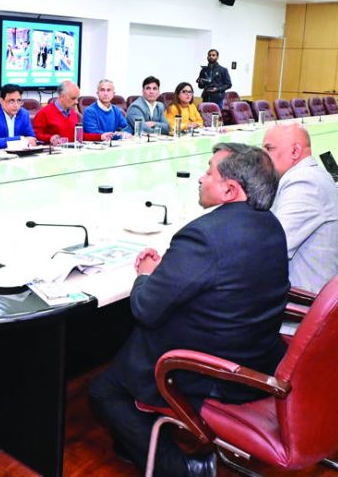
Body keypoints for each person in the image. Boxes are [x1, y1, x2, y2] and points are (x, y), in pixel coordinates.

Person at [89, 143, 288, 477]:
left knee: (103, 391)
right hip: (256, 354)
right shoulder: (270, 224)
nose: (201, 178)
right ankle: (138, 445)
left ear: (230, 189)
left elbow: (145, 308)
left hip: (209, 372)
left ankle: (183, 469)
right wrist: (171, 271)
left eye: (209, 172)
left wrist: (146, 275)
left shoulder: (204, 235)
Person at [263, 123, 338, 293]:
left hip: (304, 296)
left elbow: (272, 249)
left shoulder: (304, 182)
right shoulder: (311, 174)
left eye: (269, 149)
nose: (262, 156)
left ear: (295, 151)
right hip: (315, 288)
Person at [0, 83, 37, 148]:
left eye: (19, 101)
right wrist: (20, 139)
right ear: (1, 101)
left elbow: (31, 137)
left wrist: (31, 141)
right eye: (11, 101)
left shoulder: (24, 114)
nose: (16, 105)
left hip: (19, 152)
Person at [32, 80, 81, 144]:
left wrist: (95, 136)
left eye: (77, 98)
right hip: (54, 149)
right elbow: (35, 135)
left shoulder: (73, 113)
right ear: (62, 97)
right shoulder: (43, 113)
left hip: (72, 148)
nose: (76, 102)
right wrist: (50, 138)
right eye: (73, 98)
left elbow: (78, 136)